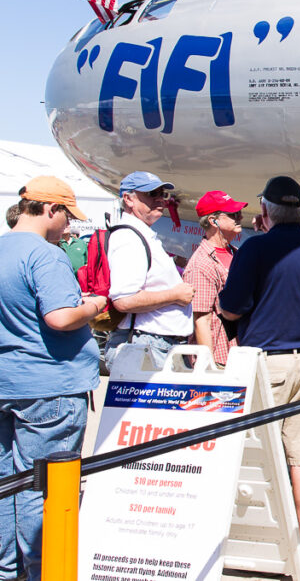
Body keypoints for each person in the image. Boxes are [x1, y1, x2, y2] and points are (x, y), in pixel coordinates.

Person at [218, 175, 300, 575]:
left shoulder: (255, 248)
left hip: (271, 363)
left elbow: (232, 308)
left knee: (250, 455)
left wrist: (259, 241)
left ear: (264, 211)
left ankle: (253, 539)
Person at [0, 177, 107, 580]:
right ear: (49, 209)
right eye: (67, 217)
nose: (68, 228)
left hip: (8, 381)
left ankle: (9, 570)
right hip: (49, 386)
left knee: (7, 484)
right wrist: (94, 304)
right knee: (42, 489)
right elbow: (60, 316)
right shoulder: (45, 255)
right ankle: (47, 570)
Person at [105, 171, 194, 369]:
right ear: (128, 199)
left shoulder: (139, 234)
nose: (160, 200)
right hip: (146, 345)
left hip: (154, 343)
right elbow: (124, 300)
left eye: (162, 194)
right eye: (151, 194)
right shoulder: (129, 238)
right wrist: (175, 294)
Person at [182, 190, 247, 366]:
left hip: (238, 355)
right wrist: (208, 367)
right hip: (220, 360)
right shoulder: (201, 264)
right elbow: (201, 321)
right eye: (233, 214)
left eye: (239, 213)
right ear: (213, 221)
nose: (239, 217)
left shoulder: (236, 254)